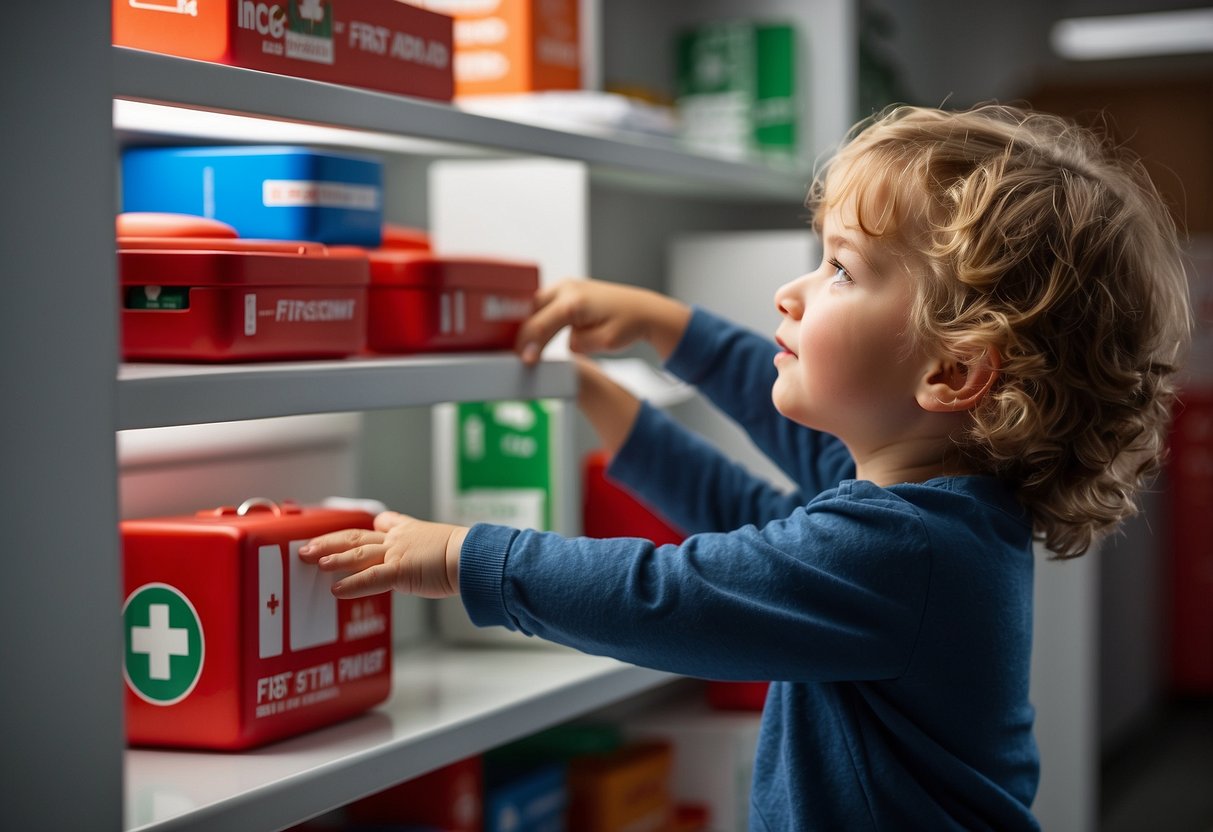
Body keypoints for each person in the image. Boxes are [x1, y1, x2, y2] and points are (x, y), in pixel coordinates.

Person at [298, 103, 1191, 830]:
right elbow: (741, 513)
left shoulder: (906, 549)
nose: (792, 290)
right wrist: (640, 355)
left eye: (841, 270)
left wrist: (466, 558)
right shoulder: (932, 505)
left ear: (951, 372)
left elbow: (675, 594)